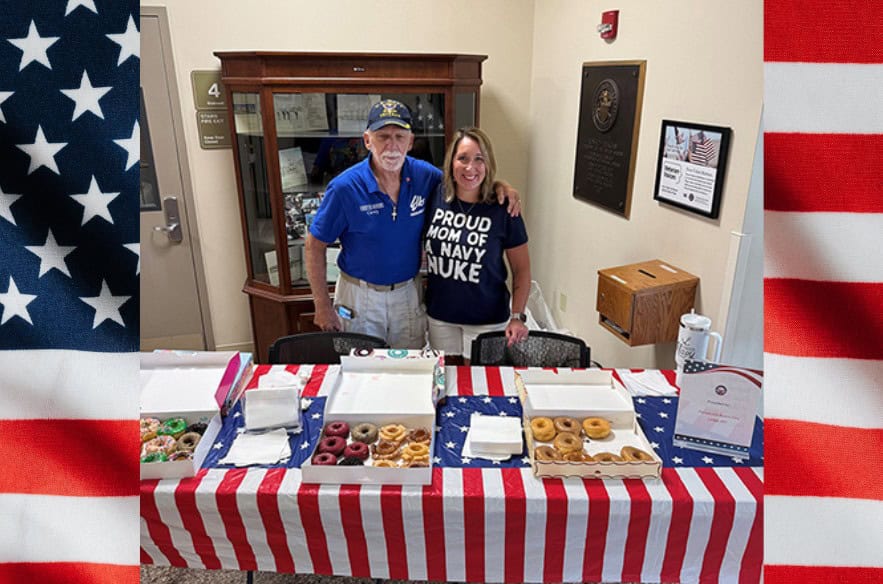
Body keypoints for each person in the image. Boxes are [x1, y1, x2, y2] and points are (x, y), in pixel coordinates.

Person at [305, 99, 520, 348]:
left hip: (408, 293)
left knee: (410, 370)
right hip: (359, 296)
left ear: (410, 141)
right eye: (383, 136)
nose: (391, 145)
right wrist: (321, 305)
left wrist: (500, 186)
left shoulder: (425, 176)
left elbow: (465, 180)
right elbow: (314, 245)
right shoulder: (344, 188)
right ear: (367, 140)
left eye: (399, 136)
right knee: (362, 372)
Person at [423, 127, 531, 364]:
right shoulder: (436, 196)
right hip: (441, 316)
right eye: (463, 158)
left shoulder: (504, 207)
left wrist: (517, 316)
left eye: (479, 159)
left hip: (488, 318)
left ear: (488, 164)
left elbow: (521, 269)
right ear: (451, 162)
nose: (470, 168)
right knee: (447, 383)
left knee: (481, 387)